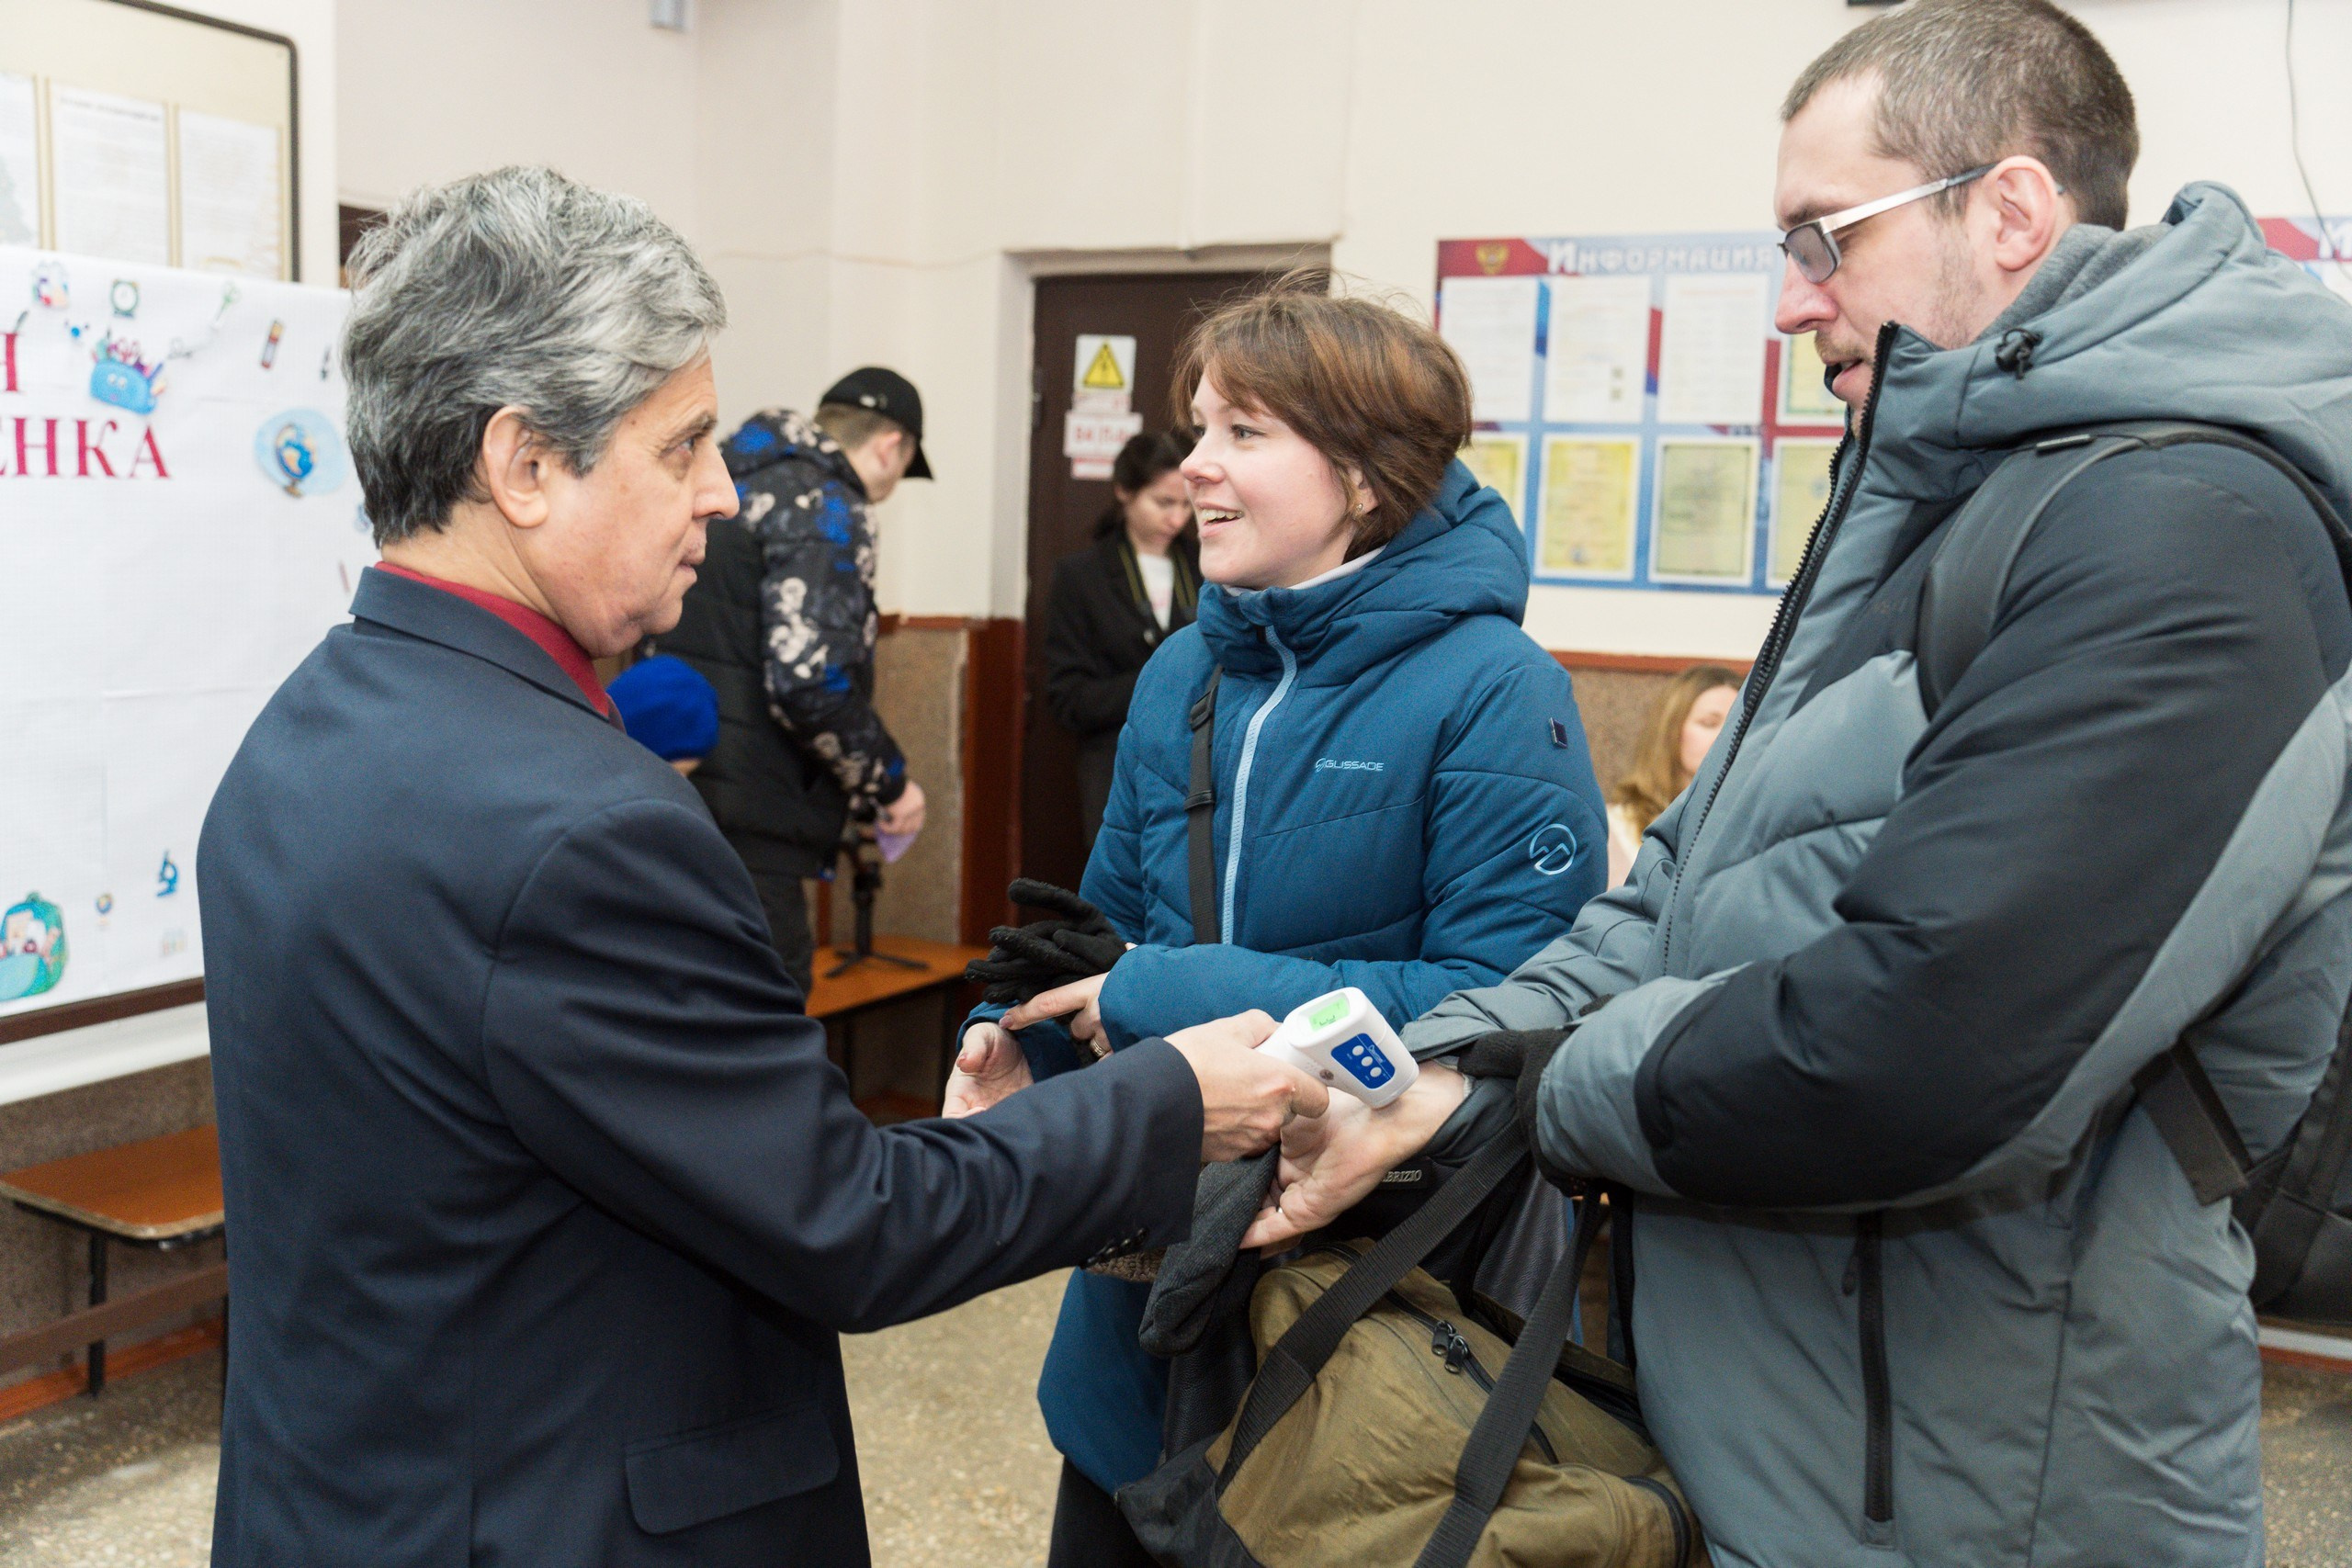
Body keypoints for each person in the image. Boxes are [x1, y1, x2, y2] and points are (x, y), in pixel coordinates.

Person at [1238, 4, 2352, 1563]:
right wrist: (1415, 1076)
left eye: (1825, 239)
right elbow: (1671, 904)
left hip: (1989, 1492)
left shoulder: (2188, 532)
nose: (1788, 300)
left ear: (2010, 209)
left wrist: (1533, 1096)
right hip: (1790, 1429)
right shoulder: (1937, 499)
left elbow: (1926, 1046)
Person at [195, 166, 1332, 1568]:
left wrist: (982, 1142)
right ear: (524, 464)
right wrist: (1171, 1099)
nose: (724, 496)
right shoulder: (584, 828)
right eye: (680, 449)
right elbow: (847, 1225)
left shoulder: (300, 731)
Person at [948, 276, 1609, 1568]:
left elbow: (1512, 1000)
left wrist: (1159, 991)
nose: (1196, 467)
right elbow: (1103, 928)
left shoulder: (1494, 688)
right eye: (1201, 428)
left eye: (1244, 433)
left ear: (1365, 476)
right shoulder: (1182, 670)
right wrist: (1013, 1034)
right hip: (1142, 1301)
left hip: (1363, 1320)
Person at [651, 367, 933, 994]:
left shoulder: (720, 478)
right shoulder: (828, 502)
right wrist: (887, 783)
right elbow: (810, 680)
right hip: (757, 816)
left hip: (673, 790)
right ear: (891, 446)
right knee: (764, 1029)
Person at [1042, 430, 1203, 848]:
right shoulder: (1080, 577)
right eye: (1164, 503)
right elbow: (1068, 698)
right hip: (1113, 767)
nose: (1178, 519)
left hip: (1197, 763)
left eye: (1188, 504)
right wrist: (1160, 682)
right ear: (1124, 491)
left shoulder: (1211, 568)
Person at [1604, 664, 1739, 886]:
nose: (1728, 737)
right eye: (1709, 723)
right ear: (1671, 732)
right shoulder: (1615, 829)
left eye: (1738, 726)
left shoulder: (1750, 823)